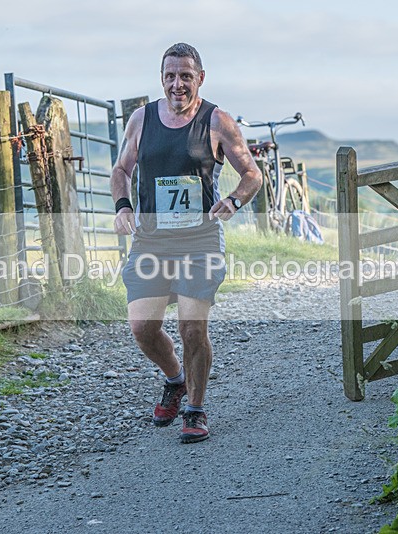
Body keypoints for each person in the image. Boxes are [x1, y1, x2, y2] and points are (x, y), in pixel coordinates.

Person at [110, 43, 262, 444]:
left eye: (186, 76)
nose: (177, 84)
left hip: (200, 240)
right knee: (143, 326)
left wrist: (232, 200)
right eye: (170, 76)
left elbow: (251, 174)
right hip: (151, 241)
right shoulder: (141, 119)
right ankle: (175, 380)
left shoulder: (218, 121)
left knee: (192, 327)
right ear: (162, 78)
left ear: (200, 78)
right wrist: (123, 207)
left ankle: (195, 408)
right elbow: (122, 168)